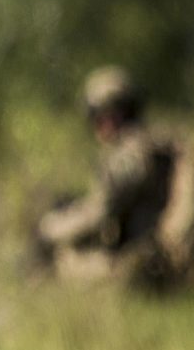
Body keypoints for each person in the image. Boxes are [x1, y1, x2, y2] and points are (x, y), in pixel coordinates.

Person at [34, 68, 180, 283]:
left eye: (99, 115)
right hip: (160, 249)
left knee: (64, 261)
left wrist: (51, 228)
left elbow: (99, 213)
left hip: (150, 260)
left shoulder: (130, 155)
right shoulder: (156, 143)